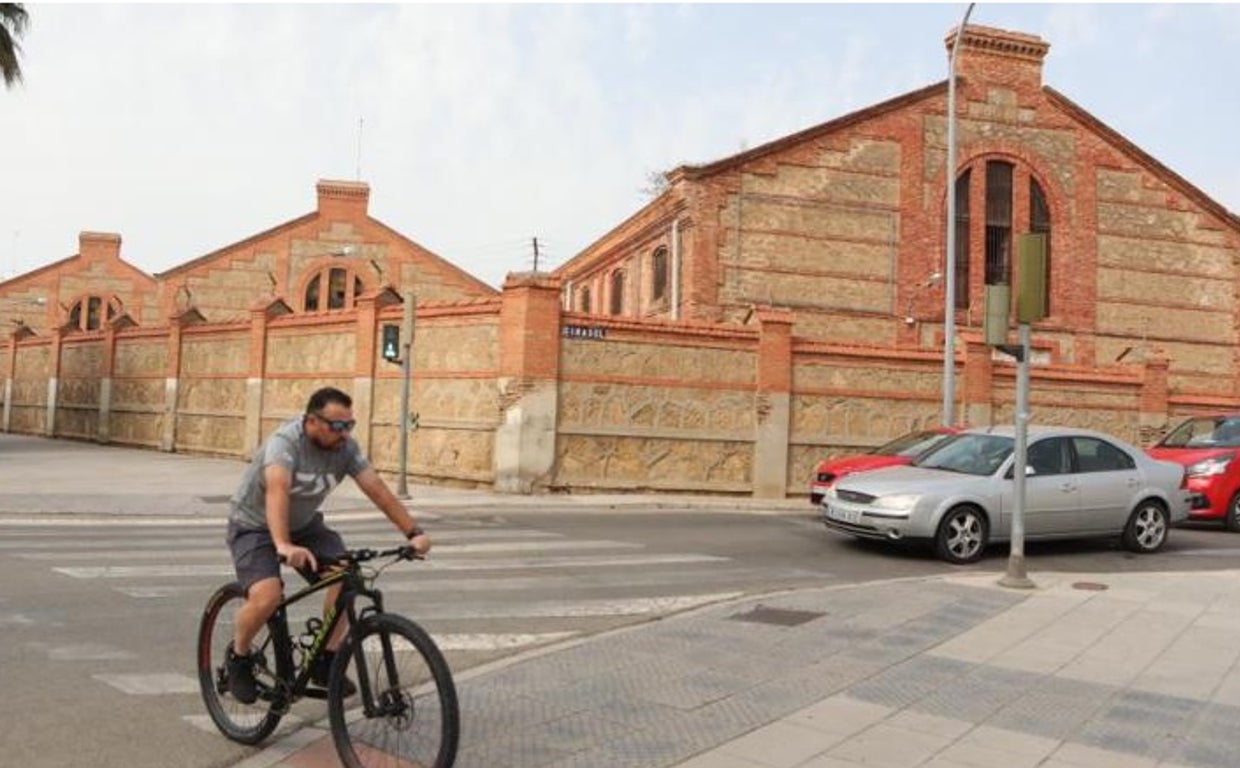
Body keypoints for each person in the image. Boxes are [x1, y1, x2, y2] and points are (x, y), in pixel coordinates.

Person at [224, 386, 430, 704]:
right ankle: (238, 658)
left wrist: (412, 532)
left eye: (349, 425)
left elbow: (375, 487)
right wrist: (282, 544)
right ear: (311, 421)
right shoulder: (285, 443)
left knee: (346, 576)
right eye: (336, 426)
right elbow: (276, 490)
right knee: (267, 596)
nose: (344, 433)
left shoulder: (345, 448)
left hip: (306, 527)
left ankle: (325, 659)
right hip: (255, 527)